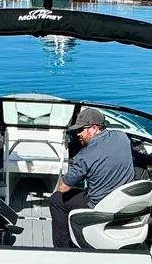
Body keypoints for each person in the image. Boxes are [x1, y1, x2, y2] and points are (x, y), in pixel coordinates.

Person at [49, 107, 135, 249]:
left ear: (94, 128)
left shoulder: (85, 156)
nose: (78, 134)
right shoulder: (122, 136)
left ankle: (62, 249)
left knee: (55, 200)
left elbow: (63, 187)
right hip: (124, 201)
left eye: (81, 130)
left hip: (99, 205)